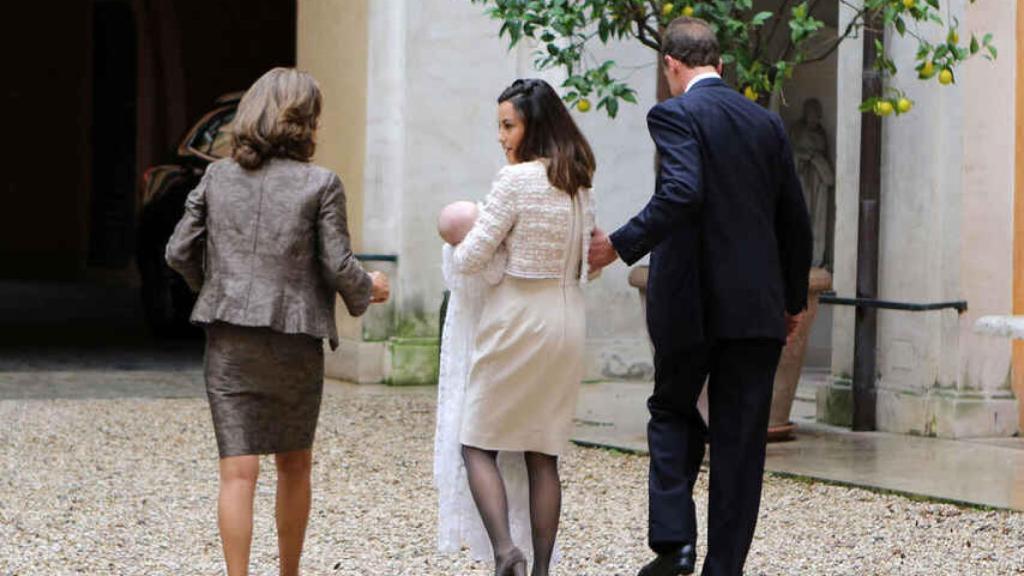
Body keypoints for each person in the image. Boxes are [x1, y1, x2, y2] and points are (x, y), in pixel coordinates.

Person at [588, 17, 812, 576]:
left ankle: (674, 545)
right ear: (721, 62)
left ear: (671, 64)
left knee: (671, 411)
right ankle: (723, 568)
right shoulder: (766, 123)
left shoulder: (674, 113)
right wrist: (790, 301)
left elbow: (682, 191)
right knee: (741, 444)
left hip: (691, 304)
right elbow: (796, 223)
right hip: (757, 310)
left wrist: (618, 245)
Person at [165, 67, 390, 576]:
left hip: (229, 342)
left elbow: (178, 251)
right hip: (294, 340)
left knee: (237, 473)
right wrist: (370, 287)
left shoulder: (216, 177)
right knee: (294, 464)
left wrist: (217, 287)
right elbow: (337, 264)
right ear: (305, 120)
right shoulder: (320, 184)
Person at [442, 78, 597, 576]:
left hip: (517, 318)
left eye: (508, 125)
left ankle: (506, 550)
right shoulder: (579, 178)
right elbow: (585, 264)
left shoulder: (515, 181)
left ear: (533, 125)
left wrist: (457, 241)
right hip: (568, 317)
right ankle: (542, 570)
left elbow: (471, 258)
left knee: (475, 441)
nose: (501, 136)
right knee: (543, 453)